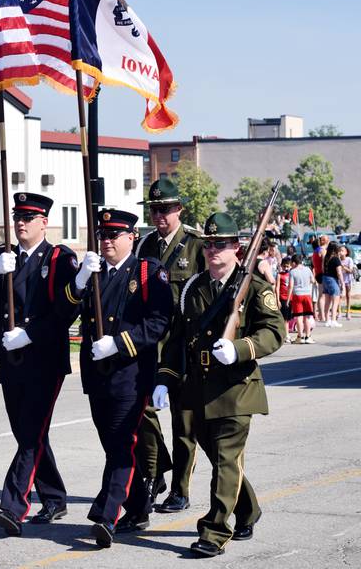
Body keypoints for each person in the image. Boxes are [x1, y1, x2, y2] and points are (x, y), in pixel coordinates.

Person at [153, 212, 286, 557]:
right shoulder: (193, 288)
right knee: (220, 460)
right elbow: (178, 338)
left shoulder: (255, 287)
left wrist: (240, 348)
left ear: (237, 248)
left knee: (227, 459)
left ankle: (214, 531)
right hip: (199, 388)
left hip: (236, 389)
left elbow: (274, 332)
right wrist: (165, 379)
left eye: (221, 244)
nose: (213, 250)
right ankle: (248, 510)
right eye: (209, 244)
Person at [0, 193, 79, 536]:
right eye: (18, 216)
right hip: (12, 362)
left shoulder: (60, 258)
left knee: (30, 435)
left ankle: (13, 506)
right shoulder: (3, 254)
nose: (22, 222)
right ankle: (54, 496)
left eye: (29, 217)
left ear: (44, 222)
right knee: (28, 432)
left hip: (44, 360)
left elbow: (64, 312)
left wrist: (30, 334)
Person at [63, 209, 173, 547]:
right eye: (103, 235)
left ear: (132, 237)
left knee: (122, 443)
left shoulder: (147, 272)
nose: (107, 240)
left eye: (115, 234)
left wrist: (120, 344)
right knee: (112, 443)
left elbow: (159, 322)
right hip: (97, 375)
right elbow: (63, 312)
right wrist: (80, 281)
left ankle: (105, 515)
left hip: (131, 374)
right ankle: (139, 506)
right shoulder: (93, 272)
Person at [134, 177, 205, 514]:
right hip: (150, 343)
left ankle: (180, 490)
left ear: (179, 209)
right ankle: (156, 469)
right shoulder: (144, 246)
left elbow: (208, 295)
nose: (160, 215)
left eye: (166, 209)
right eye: (155, 209)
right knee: (141, 410)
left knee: (182, 423)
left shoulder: (195, 245)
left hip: (182, 347)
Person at [287, 254, 316, 343]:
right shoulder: (308, 269)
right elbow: (313, 281)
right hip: (307, 295)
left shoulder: (292, 272)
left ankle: (300, 337)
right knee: (307, 316)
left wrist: (288, 299)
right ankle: (308, 336)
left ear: (294, 262)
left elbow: (291, 286)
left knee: (298, 317)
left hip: (297, 295)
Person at [322, 241, 344, 327]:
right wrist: (342, 284)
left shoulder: (326, 257)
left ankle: (327, 320)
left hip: (325, 278)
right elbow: (339, 272)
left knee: (327, 301)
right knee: (335, 301)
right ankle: (333, 320)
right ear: (336, 249)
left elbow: (322, 269)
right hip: (332, 280)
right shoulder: (336, 259)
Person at [275, 256, 294, 341]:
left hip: (290, 298)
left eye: (288, 266)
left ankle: (286, 333)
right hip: (282, 298)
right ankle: (286, 335)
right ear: (281, 266)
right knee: (284, 319)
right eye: (284, 266)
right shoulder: (279, 275)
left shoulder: (291, 274)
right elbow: (277, 287)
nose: (286, 268)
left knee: (288, 318)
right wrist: (277, 299)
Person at [339, 245, 354, 320]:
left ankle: (348, 312)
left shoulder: (349, 259)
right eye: (339, 250)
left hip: (348, 279)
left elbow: (351, 271)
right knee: (339, 296)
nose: (340, 252)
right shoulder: (337, 260)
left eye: (342, 250)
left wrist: (343, 267)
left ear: (346, 252)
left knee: (348, 295)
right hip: (340, 280)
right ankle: (339, 312)